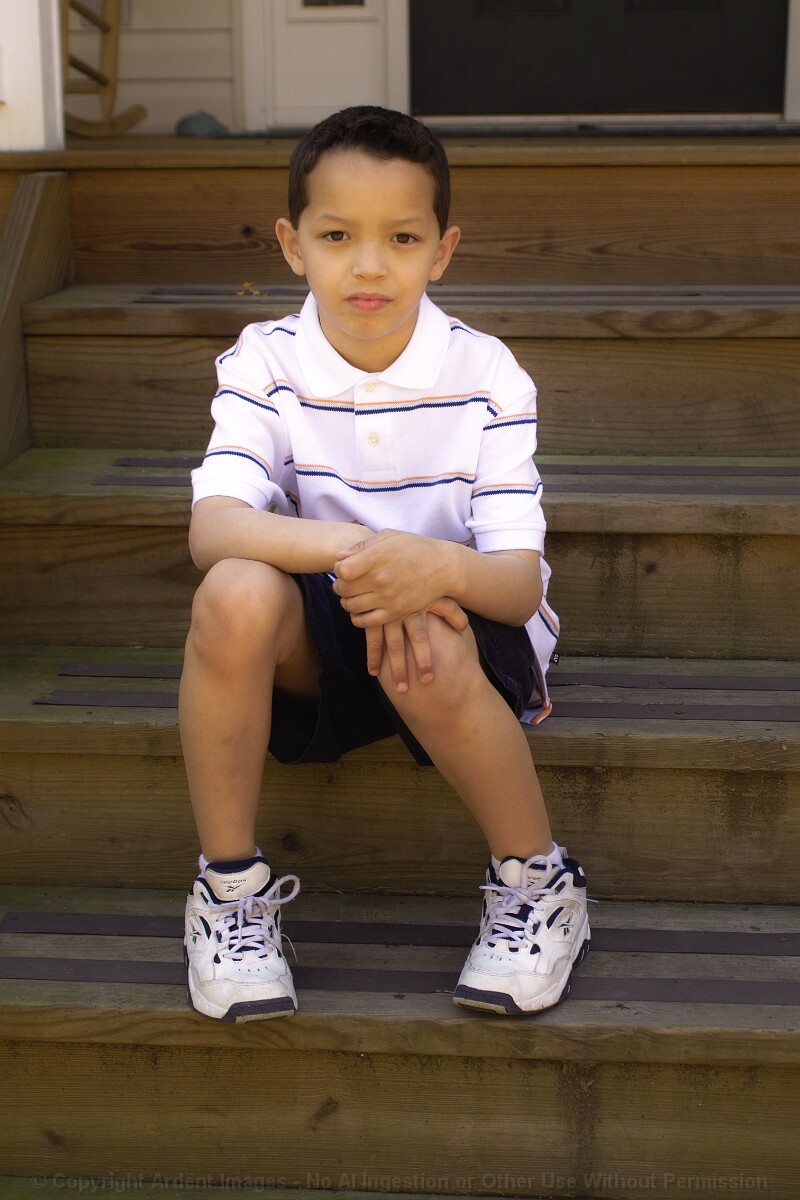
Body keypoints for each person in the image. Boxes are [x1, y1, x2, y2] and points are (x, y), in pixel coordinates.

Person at [180, 105, 589, 1023]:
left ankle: (538, 882)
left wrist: (430, 571)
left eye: (401, 238)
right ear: (292, 245)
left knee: (426, 633)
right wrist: (367, 554)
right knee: (233, 593)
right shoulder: (265, 361)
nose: (369, 265)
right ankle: (229, 893)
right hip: (330, 627)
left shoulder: (487, 375)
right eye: (338, 236)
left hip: (463, 628)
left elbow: (515, 583)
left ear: (442, 251)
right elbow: (214, 527)